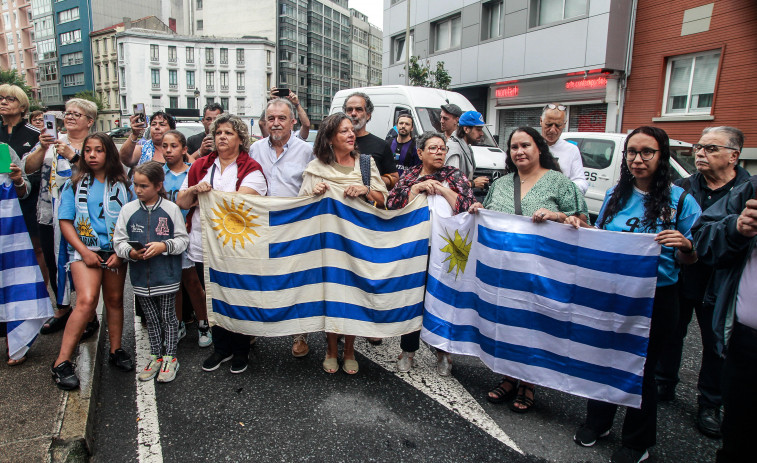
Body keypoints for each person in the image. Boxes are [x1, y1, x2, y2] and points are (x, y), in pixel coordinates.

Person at [567, 126, 701, 463]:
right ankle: (599, 422)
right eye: (631, 152)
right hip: (613, 292)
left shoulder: (681, 200)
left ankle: (637, 441)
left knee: (642, 367)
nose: (637, 160)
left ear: (662, 156)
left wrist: (685, 245)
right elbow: (603, 239)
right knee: (604, 357)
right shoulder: (615, 193)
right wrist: (583, 230)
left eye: (647, 152)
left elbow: (694, 256)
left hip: (658, 298)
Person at [468, 126, 588, 413]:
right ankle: (509, 377)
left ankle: (528, 382)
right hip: (504, 272)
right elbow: (491, 216)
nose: (519, 151)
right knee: (507, 323)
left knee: (534, 324)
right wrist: (477, 209)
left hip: (541, 272)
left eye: (526, 145)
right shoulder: (501, 183)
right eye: (514, 147)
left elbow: (583, 221)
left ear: (539, 149)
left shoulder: (560, 183)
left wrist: (559, 216)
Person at [655, 126, 751, 438]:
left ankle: (710, 403)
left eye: (711, 148)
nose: (700, 153)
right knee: (672, 332)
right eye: (699, 147)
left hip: (722, 280)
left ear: (733, 156)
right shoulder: (681, 186)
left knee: (715, 343)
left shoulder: (747, 191)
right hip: (683, 274)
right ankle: (663, 383)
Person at [176, 113, 267, 375]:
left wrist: (205, 197)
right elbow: (182, 202)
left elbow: (238, 205)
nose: (222, 137)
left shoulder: (251, 168)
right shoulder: (200, 166)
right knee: (211, 297)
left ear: (241, 139)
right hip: (202, 244)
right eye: (218, 133)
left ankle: (241, 350)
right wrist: (195, 192)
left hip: (235, 246)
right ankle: (221, 347)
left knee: (236, 296)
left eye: (228, 133)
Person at [299, 112, 388, 374]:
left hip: (358, 243)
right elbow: (300, 205)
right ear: (329, 138)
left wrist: (366, 190)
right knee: (331, 295)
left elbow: (383, 200)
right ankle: (330, 349)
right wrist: (313, 195)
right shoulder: (316, 168)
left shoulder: (365, 164)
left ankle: (349, 350)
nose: (351, 135)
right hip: (326, 244)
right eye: (344, 131)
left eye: (352, 130)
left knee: (352, 295)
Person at [387, 131, 476, 375]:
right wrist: (416, 189)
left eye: (442, 149)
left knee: (444, 298)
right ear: (420, 152)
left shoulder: (455, 176)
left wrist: (442, 190)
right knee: (412, 298)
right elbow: (392, 204)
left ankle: (443, 353)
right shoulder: (409, 176)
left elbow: (469, 207)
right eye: (433, 148)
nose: (439, 153)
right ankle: (408, 351)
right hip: (415, 248)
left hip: (447, 250)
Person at [51, 133, 134, 390]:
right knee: (86, 302)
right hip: (84, 250)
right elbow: (65, 221)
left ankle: (116, 349)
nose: (92, 155)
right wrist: (83, 251)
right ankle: (61, 362)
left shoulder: (123, 184)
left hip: (114, 251)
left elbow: (131, 221)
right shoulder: (74, 184)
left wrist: (121, 253)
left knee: (114, 300)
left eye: (99, 150)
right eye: (88, 150)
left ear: (108, 153)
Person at [692, 174, 757, 463]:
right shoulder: (752, 190)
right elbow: (702, 237)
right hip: (746, 340)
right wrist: (737, 228)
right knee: (739, 433)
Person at [25, 99, 98, 336]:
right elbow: (28, 168)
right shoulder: (52, 141)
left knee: (86, 261)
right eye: (68, 113)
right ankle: (63, 309)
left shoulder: (94, 144)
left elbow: (100, 172)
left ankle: (88, 313)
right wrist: (42, 148)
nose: (70, 117)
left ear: (89, 121)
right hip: (50, 212)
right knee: (53, 258)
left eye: (77, 114)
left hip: (85, 215)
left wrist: (74, 155)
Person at [249, 98, 314, 357]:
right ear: (265, 121)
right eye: (271, 118)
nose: (276, 123)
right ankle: (252, 326)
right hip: (261, 226)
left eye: (282, 118)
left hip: (295, 227)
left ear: (293, 121)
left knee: (296, 280)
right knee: (260, 278)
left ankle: (300, 334)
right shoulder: (254, 149)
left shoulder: (306, 151)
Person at [113, 161, 189, 383]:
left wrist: (163, 246)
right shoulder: (128, 210)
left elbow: (183, 240)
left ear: (158, 186)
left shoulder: (171, 208)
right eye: (135, 185)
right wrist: (131, 253)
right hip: (139, 279)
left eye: (144, 186)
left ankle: (171, 358)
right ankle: (156, 356)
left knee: (168, 317)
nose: (138, 190)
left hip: (166, 276)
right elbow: (119, 241)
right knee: (151, 318)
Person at [162, 130, 212, 348]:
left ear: (184, 150)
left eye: (173, 146)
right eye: (164, 146)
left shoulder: (194, 171)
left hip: (189, 233)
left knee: (192, 281)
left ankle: (203, 323)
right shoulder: (158, 173)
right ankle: (178, 323)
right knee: (174, 285)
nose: (168, 150)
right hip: (164, 236)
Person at [0, 84, 45, 299]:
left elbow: (40, 170)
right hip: (3, 205)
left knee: (36, 251)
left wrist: (21, 181)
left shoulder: (35, 134)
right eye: (0, 98)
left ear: (22, 105)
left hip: (29, 201)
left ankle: (38, 298)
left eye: (10, 99)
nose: (3, 102)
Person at [0, 143, 34, 365]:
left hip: (6, 234)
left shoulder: (3, 150)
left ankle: (16, 341)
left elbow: (24, 191)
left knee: (10, 285)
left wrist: (18, 180)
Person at [343, 92, 398, 191]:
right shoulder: (335, 143)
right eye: (349, 110)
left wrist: (372, 180)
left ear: (368, 115)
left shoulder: (381, 145)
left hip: (368, 203)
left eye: (359, 109)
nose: (353, 113)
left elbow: (395, 179)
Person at [540, 103, 589, 194]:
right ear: (541, 121)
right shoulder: (530, 146)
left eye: (558, 125)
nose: (553, 130)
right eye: (548, 124)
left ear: (565, 124)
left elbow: (581, 182)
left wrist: (563, 190)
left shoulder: (572, 150)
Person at [446, 111, 489, 191]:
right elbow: (452, 183)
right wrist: (473, 183)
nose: (481, 133)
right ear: (466, 129)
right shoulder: (454, 149)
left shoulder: (465, 146)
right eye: (478, 129)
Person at [387, 112, 420, 178]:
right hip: (389, 185)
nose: (403, 126)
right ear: (396, 126)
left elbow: (418, 170)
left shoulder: (415, 147)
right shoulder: (388, 143)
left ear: (412, 128)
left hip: (406, 185)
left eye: (407, 124)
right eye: (401, 123)